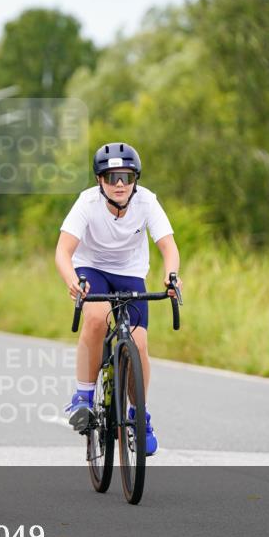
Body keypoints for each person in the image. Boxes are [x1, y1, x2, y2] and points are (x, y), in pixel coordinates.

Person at [54, 142, 181, 456]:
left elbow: (168, 246)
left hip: (130, 271)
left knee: (139, 344)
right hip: (91, 267)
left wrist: (171, 275)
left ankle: (140, 416)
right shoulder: (86, 202)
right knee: (96, 319)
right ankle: (83, 397)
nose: (120, 184)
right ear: (100, 181)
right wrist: (72, 280)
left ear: (135, 178)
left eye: (126, 176)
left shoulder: (147, 201)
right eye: (112, 178)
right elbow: (62, 251)